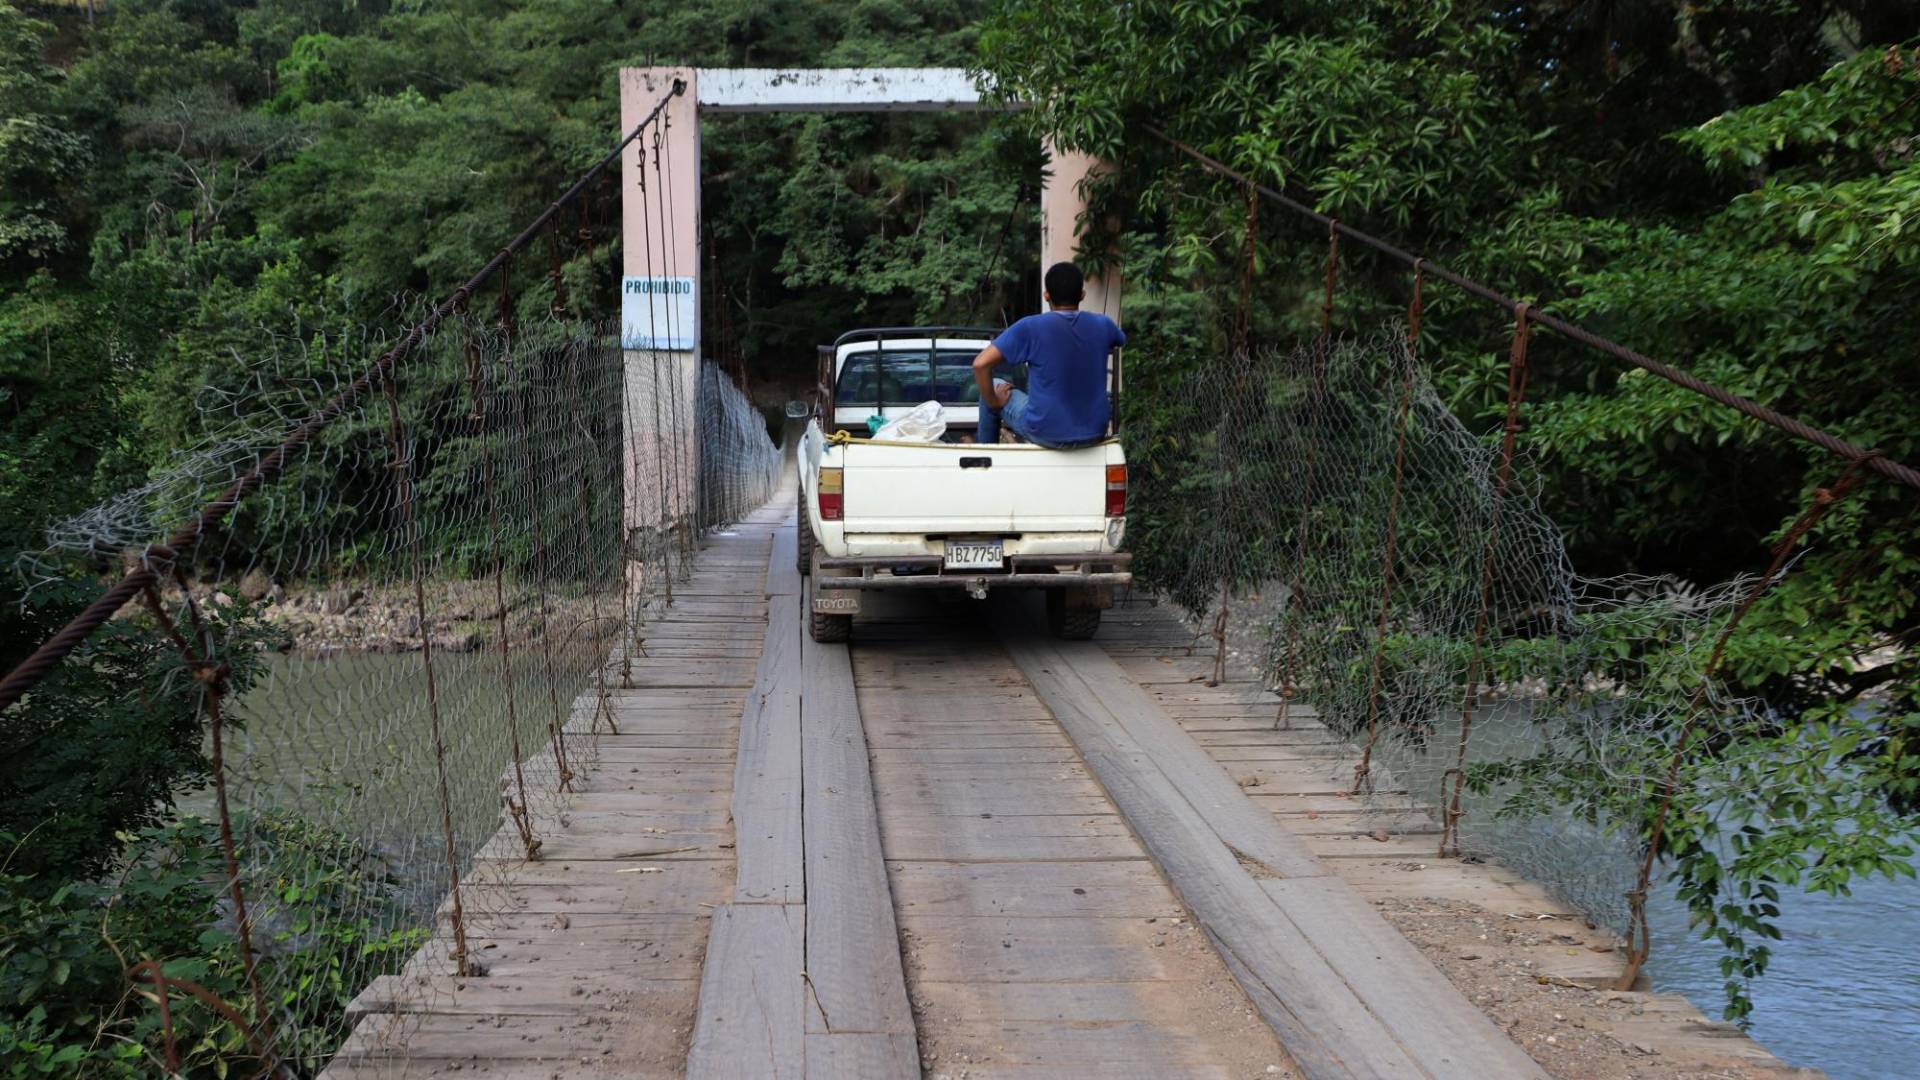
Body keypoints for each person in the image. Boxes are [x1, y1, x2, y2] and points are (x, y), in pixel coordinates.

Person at [972, 262, 1125, 448]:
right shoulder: (1104, 325)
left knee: (993, 386)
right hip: (1094, 432)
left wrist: (993, 401)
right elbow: (1120, 339)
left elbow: (980, 364)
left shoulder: (1029, 327)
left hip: (1046, 433)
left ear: (1046, 296)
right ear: (1082, 295)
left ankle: (985, 456)